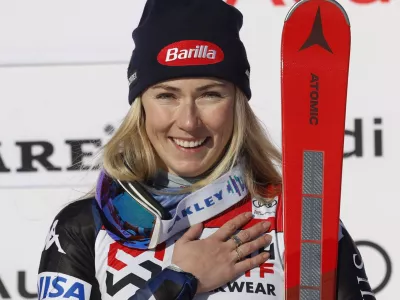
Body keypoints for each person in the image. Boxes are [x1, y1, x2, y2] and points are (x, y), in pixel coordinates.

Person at [37, 0, 374, 299]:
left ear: (238, 105)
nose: (188, 121)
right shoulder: (84, 227)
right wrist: (175, 283)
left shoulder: (300, 220)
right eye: (166, 95)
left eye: (210, 94)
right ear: (141, 106)